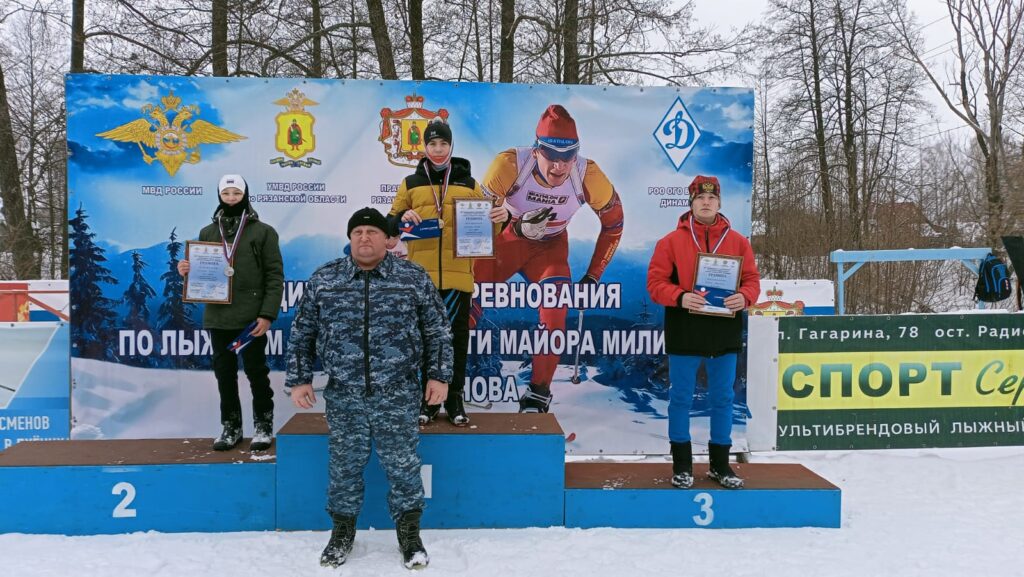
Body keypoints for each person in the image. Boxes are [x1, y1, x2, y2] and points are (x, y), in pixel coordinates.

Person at [286, 207, 453, 570]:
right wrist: (299, 379)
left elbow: (437, 331)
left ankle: (409, 535)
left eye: (373, 232)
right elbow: (302, 335)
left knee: (403, 466)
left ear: (387, 239)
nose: (365, 238)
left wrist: (439, 376)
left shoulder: (410, 277)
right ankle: (342, 533)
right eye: (358, 231)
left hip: (397, 392)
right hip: (345, 393)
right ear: (349, 238)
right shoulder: (326, 279)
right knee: (344, 467)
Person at [474, 104, 624, 413]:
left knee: (556, 312)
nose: (559, 167)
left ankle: (538, 394)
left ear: (577, 154)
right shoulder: (508, 164)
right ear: (535, 150)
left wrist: (594, 275)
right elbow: (473, 225)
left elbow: (615, 224)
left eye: (568, 157)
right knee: (468, 300)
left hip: (550, 248)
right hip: (507, 242)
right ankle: (445, 383)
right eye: (551, 156)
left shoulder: (589, 174)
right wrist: (514, 226)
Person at [387, 118, 509, 426]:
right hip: (421, 280)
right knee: (425, 340)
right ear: (424, 147)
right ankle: (428, 402)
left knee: (456, 340)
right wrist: (403, 216)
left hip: (458, 277)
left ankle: (454, 398)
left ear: (451, 146)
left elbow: (488, 225)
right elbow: (388, 228)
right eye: (432, 144)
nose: (438, 149)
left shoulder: (469, 183)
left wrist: (502, 216)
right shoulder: (410, 184)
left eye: (443, 143)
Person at [646, 175, 760, 490]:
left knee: (722, 398)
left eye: (711, 198)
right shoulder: (669, 242)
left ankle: (720, 465)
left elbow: (752, 280)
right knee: (680, 397)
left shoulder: (739, 242)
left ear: (719, 202)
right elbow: (655, 284)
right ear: (691, 203)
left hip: (724, 329)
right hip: (685, 328)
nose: (706, 203)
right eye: (700, 198)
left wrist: (746, 297)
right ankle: (682, 465)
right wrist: (680, 296)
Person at [177, 174, 284, 452]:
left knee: (256, 372)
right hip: (219, 317)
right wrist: (187, 272)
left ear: (246, 195)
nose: (232, 198)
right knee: (224, 373)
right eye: (227, 194)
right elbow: (204, 274)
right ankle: (231, 426)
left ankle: (263, 425)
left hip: (251, 319)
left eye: (237, 193)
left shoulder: (263, 232)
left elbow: (274, 276)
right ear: (219, 197)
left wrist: (267, 315)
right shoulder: (208, 233)